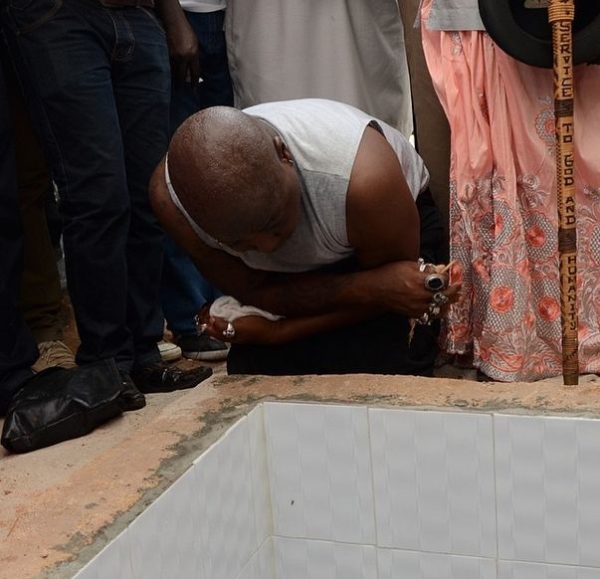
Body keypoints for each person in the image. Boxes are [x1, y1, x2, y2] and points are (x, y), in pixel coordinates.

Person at [150, 99, 461, 375]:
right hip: (322, 280)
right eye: (240, 243)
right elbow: (257, 293)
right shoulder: (174, 203)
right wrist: (276, 332)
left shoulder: (364, 181)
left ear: (284, 154)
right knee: (254, 374)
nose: (269, 246)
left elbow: (395, 295)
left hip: (371, 245)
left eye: (274, 222)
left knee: (384, 369)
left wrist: (279, 331)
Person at [1, 0, 210, 399]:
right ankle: (107, 363)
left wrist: (172, 16)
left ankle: (144, 355)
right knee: (98, 197)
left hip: (139, 14)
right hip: (58, 16)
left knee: (148, 198)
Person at [160, 0, 232, 362]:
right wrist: (174, 18)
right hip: (183, 13)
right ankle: (191, 317)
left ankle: (224, 307)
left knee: (224, 167)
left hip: (229, 18)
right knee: (184, 167)